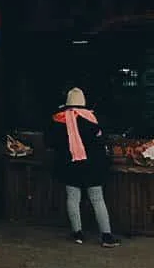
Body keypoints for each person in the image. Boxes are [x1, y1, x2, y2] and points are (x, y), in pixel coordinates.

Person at [46, 88, 120, 247]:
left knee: (73, 198)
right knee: (97, 199)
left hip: (69, 164)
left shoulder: (58, 119)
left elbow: (50, 142)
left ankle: (77, 233)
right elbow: (102, 142)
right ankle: (106, 235)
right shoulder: (92, 119)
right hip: (93, 165)